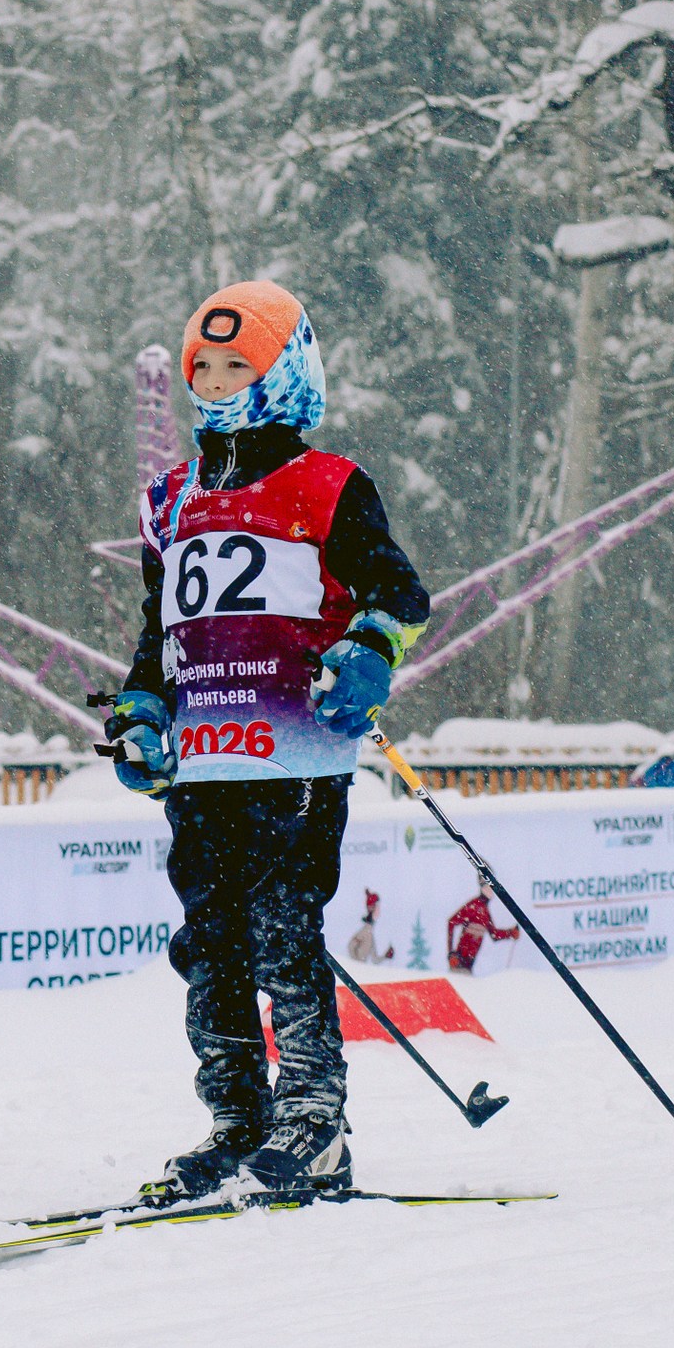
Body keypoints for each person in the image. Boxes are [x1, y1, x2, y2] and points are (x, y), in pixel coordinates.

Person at [105, 281, 429, 1199]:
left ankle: (315, 1120)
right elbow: (158, 633)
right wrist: (138, 713)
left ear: (285, 368)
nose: (212, 381)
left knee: (285, 931)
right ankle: (238, 1120)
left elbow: (399, 594)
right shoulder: (169, 501)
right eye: (200, 367)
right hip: (203, 765)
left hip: (293, 753)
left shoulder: (329, 485)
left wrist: (369, 647)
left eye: (235, 364)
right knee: (211, 943)